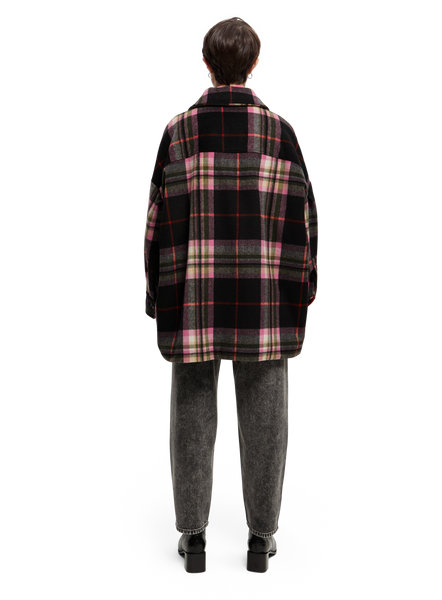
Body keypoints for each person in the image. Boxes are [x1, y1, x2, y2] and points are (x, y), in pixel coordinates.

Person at [142, 15, 320, 575]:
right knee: (267, 412)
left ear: (205, 63)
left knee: (191, 407)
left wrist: (154, 297)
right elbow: (308, 224)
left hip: (192, 296)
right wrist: (304, 292)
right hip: (265, 301)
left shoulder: (178, 131)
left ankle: (193, 538)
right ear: (256, 63)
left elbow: (153, 224)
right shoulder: (282, 132)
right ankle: (261, 540)